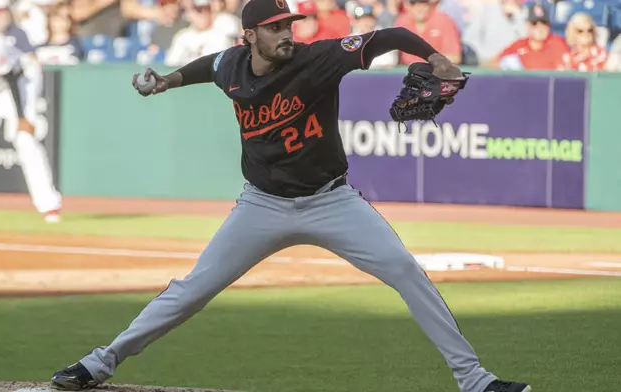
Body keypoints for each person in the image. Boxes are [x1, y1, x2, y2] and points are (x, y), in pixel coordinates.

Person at [49, 0, 532, 391]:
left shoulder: (319, 57)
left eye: (289, 24)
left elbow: (386, 37)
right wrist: (168, 81)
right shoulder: (232, 64)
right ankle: (98, 364)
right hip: (261, 204)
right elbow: (207, 66)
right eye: (276, 27)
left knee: (406, 271)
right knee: (191, 291)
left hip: (332, 201)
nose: (287, 33)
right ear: (250, 36)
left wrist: (435, 57)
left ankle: (475, 381)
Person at [0, 1, 62, 223]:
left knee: (25, 139)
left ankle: (49, 206)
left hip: (13, 86)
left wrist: (22, 117)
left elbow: (10, 75)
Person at [494, 3, 569, 70]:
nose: (540, 27)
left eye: (544, 22)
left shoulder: (558, 43)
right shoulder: (518, 46)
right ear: (528, 25)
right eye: (534, 23)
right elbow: (493, 64)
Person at [394, 0, 462, 65]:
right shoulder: (402, 22)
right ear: (407, 5)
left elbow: (455, 57)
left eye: (423, 2)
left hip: (436, 72)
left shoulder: (444, 21)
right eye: (413, 3)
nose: (419, 8)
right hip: (406, 72)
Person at [462, 0, 526, 66]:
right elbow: (469, 38)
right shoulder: (488, 10)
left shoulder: (526, 13)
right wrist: (484, 57)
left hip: (513, 67)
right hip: (485, 63)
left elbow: (528, 40)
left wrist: (518, 16)